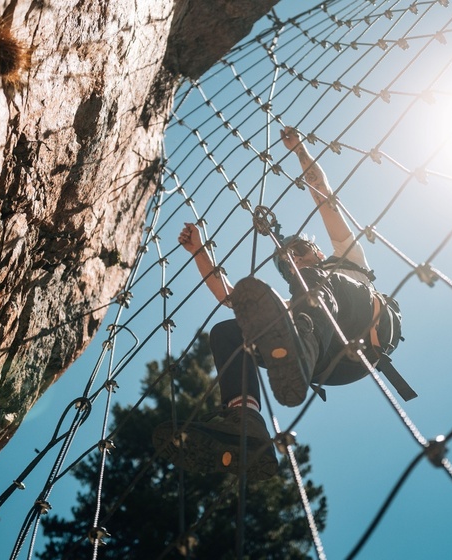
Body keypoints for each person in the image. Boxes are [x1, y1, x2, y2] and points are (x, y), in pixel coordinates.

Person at [153, 126, 401, 480]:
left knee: (315, 285)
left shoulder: (345, 258)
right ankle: (247, 424)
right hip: (329, 364)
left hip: (367, 331)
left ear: (315, 249)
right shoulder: (296, 300)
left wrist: (299, 150)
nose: (294, 261)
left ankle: (301, 346)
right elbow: (230, 298)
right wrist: (200, 252)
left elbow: (324, 197)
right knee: (229, 332)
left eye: (298, 252)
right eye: (286, 263)